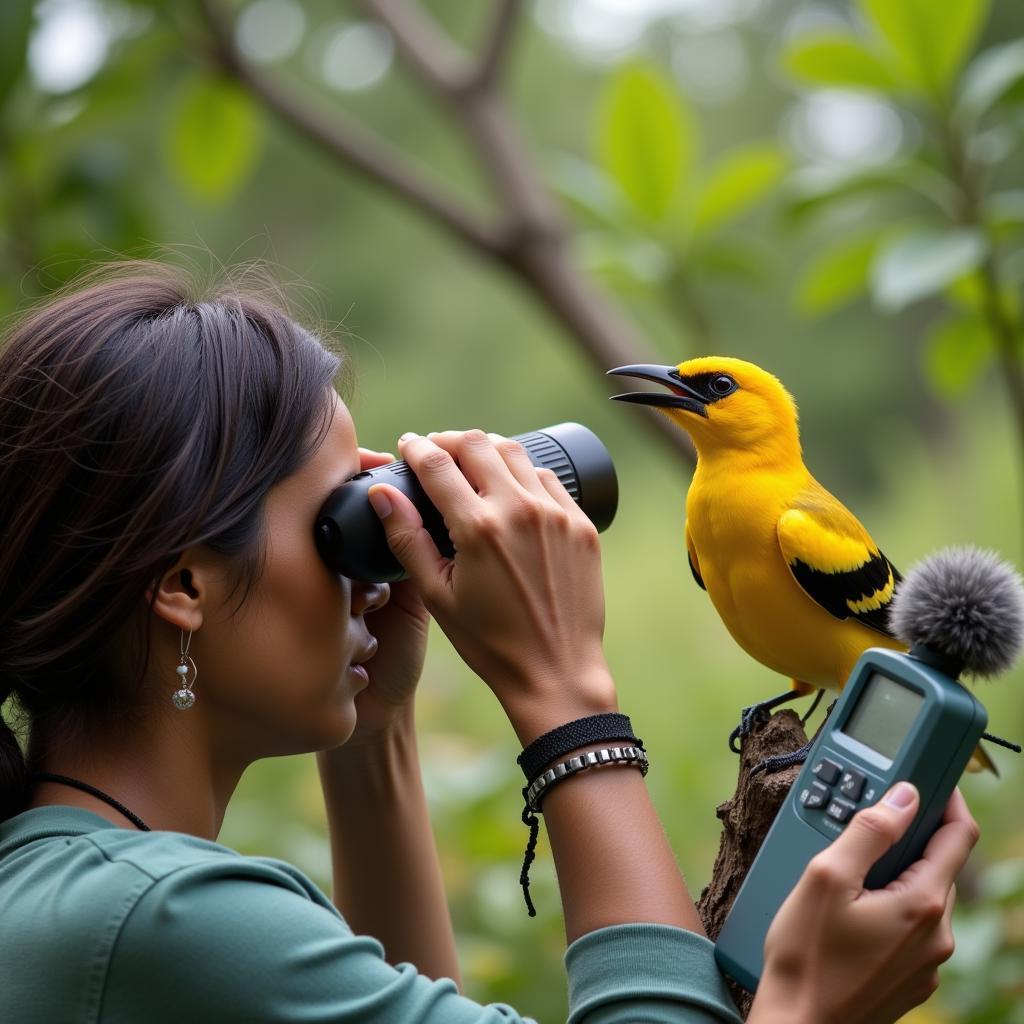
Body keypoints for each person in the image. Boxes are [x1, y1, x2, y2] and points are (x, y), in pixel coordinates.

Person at [0, 263, 977, 1024]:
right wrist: (564, 695)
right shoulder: (157, 919)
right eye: (343, 520)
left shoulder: (77, 890)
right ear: (182, 583)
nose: (381, 557)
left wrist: (372, 726)